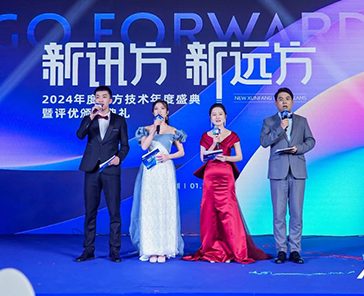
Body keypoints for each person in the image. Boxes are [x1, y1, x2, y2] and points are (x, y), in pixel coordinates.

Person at [183, 103, 270, 264]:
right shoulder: (206, 136)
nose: (217, 117)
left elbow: (239, 156)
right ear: (210, 118)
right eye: (214, 114)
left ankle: (232, 249)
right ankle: (212, 250)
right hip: (210, 176)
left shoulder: (232, 135)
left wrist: (226, 158)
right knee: (210, 212)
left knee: (228, 212)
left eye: (220, 114)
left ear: (225, 117)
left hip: (226, 176)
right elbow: (203, 157)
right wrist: (213, 143)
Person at [260, 87, 315, 265]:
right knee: (279, 214)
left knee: (297, 213)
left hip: (297, 170)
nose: (284, 102)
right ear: (276, 103)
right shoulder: (269, 121)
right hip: (278, 171)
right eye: (281, 99)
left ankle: (295, 250)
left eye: (287, 98)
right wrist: (280, 128)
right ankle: (281, 250)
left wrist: (299, 148)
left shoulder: (302, 121)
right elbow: (264, 142)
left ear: (292, 101)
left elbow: (311, 141)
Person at [75, 86, 129, 263]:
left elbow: (125, 145)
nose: (100, 99)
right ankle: (88, 250)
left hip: (111, 171)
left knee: (114, 212)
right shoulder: (88, 119)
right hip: (91, 170)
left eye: (104, 96)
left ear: (110, 100)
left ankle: (114, 250)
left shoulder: (119, 120)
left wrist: (119, 158)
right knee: (90, 211)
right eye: (97, 97)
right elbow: (80, 135)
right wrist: (91, 117)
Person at [130, 100, 187, 263]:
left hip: (165, 170)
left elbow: (181, 152)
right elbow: (144, 147)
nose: (159, 111)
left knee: (164, 206)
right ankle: (151, 249)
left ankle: (164, 249)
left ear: (167, 112)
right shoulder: (146, 129)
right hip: (150, 171)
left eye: (162, 108)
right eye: (156, 109)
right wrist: (154, 129)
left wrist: (168, 156)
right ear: (153, 112)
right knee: (150, 207)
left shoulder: (174, 131)